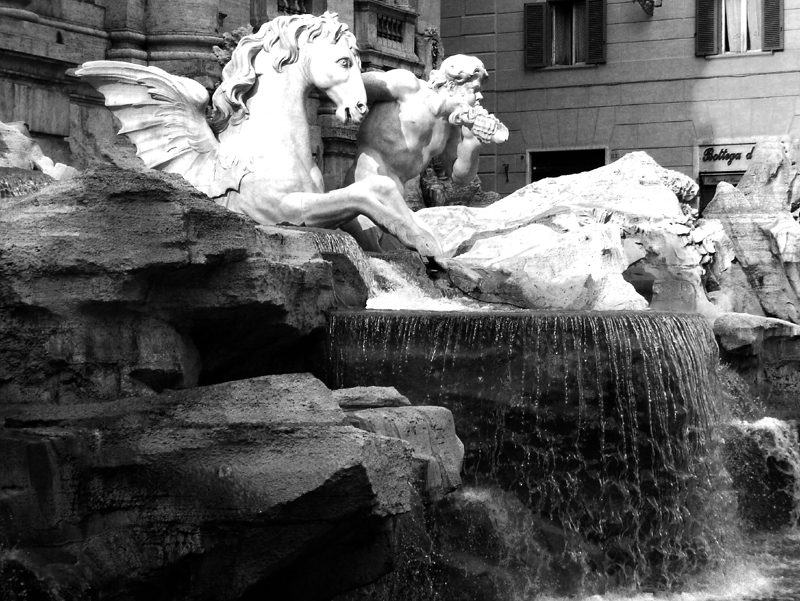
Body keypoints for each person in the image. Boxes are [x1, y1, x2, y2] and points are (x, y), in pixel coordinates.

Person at [341, 54, 508, 254]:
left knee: (434, 253)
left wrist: (473, 145)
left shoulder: (450, 127)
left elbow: (459, 177)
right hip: (365, 187)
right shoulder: (408, 86)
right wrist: (350, 106)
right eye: (476, 90)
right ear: (454, 85)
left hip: (397, 201)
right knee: (380, 251)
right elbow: (350, 83)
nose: (480, 98)